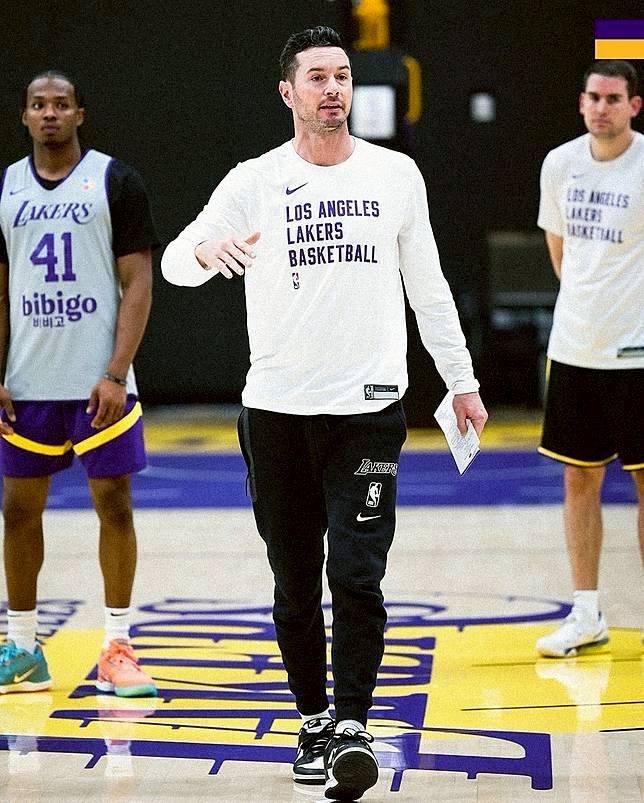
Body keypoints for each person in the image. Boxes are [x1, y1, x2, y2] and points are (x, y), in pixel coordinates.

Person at [162, 26, 487, 800]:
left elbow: (428, 286)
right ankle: (312, 717)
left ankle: (353, 725)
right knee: (295, 581)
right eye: (317, 77)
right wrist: (205, 254)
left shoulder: (394, 174)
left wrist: (461, 378)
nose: (333, 87)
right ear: (288, 92)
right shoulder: (255, 181)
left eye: (341, 75)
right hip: (276, 414)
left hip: (367, 411)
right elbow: (175, 259)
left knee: (357, 573)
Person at [0, 70, 158, 697]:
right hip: (27, 382)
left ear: (80, 114)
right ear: (24, 116)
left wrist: (116, 372)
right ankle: (22, 649)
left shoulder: (114, 180)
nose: (49, 113)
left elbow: (138, 281)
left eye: (61, 104)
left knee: (114, 505)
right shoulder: (6, 187)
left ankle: (117, 648)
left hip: (99, 383)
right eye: (38, 104)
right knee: (17, 512)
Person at [536, 60, 643, 658]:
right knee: (579, 477)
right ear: (581, 103)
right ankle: (585, 613)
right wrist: (590, 307)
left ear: (633, 105)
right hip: (576, 348)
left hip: (639, 354)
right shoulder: (560, 163)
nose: (602, 107)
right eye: (593, 98)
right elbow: (561, 254)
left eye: (613, 98)